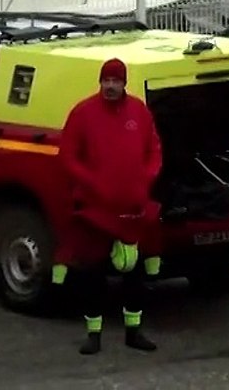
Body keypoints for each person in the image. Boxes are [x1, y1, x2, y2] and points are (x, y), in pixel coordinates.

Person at [55, 57, 162, 356]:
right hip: (96, 210)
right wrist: (91, 182)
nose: (111, 86)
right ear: (100, 82)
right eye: (106, 81)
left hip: (132, 208)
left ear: (124, 83)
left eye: (116, 81)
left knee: (135, 274)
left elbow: (154, 149)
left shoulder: (139, 111)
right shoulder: (83, 113)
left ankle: (134, 331)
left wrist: (146, 177)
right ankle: (94, 334)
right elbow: (68, 156)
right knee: (93, 275)